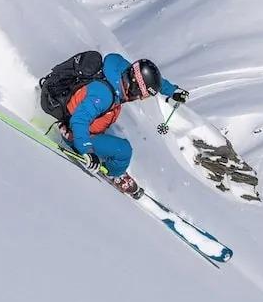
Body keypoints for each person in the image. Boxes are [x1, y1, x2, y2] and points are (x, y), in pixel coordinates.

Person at [53, 53, 189, 197]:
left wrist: (173, 91)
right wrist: (86, 150)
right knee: (123, 151)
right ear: (136, 87)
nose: (141, 98)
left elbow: (148, 78)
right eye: (142, 95)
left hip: (80, 116)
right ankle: (113, 174)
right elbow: (79, 120)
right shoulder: (104, 94)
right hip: (75, 129)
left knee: (108, 129)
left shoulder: (121, 71)